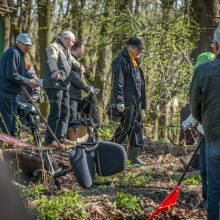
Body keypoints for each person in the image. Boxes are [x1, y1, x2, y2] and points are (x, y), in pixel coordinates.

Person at [189, 27, 220, 220]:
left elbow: (194, 106)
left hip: (214, 136)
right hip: (213, 133)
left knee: (215, 188)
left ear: (216, 46)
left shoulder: (202, 71)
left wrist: (205, 123)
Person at [183, 52, 215, 209]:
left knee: (213, 167)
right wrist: (190, 121)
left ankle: (214, 200)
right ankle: (206, 198)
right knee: (203, 167)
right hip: (204, 130)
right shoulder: (201, 81)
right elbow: (198, 106)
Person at [110, 37, 146, 165]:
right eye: (139, 49)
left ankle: (134, 157)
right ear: (131, 47)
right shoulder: (120, 61)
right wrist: (119, 100)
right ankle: (108, 152)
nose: (140, 52)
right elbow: (117, 82)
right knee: (124, 129)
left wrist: (142, 104)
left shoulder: (135, 61)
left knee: (136, 129)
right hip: (127, 102)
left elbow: (140, 84)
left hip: (137, 102)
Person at [0, 33, 39, 136]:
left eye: (30, 45)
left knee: (13, 120)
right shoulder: (13, 52)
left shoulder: (20, 54)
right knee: (7, 121)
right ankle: (5, 145)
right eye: (26, 44)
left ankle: (12, 143)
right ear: (19, 43)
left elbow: (20, 73)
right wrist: (28, 81)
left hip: (13, 94)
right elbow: (11, 74)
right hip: (6, 93)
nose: (29, 47)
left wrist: (32, 80)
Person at [43, 31, 76, 147]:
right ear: (66, 39)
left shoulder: (67, 51)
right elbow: (52, 59)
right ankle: (49, 141)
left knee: (65, 111)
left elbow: (73, 62)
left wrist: (80, 67)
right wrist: (54, 70)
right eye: (72, 41)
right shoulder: (54, 47)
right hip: (54, 85)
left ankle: (61, 138)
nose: (72, 44)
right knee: (55, 112)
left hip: (64, 85)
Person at [68, 41, 99, 125]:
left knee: (73, 121)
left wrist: (80, 74)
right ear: (78, 49)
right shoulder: (69, 60)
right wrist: (89, 89)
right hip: (71, 96)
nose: (83, 52)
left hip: (75, 95)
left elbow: (76, 78)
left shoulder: (74, 61)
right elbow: (74, 79)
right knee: (71, 121)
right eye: (82, 50)